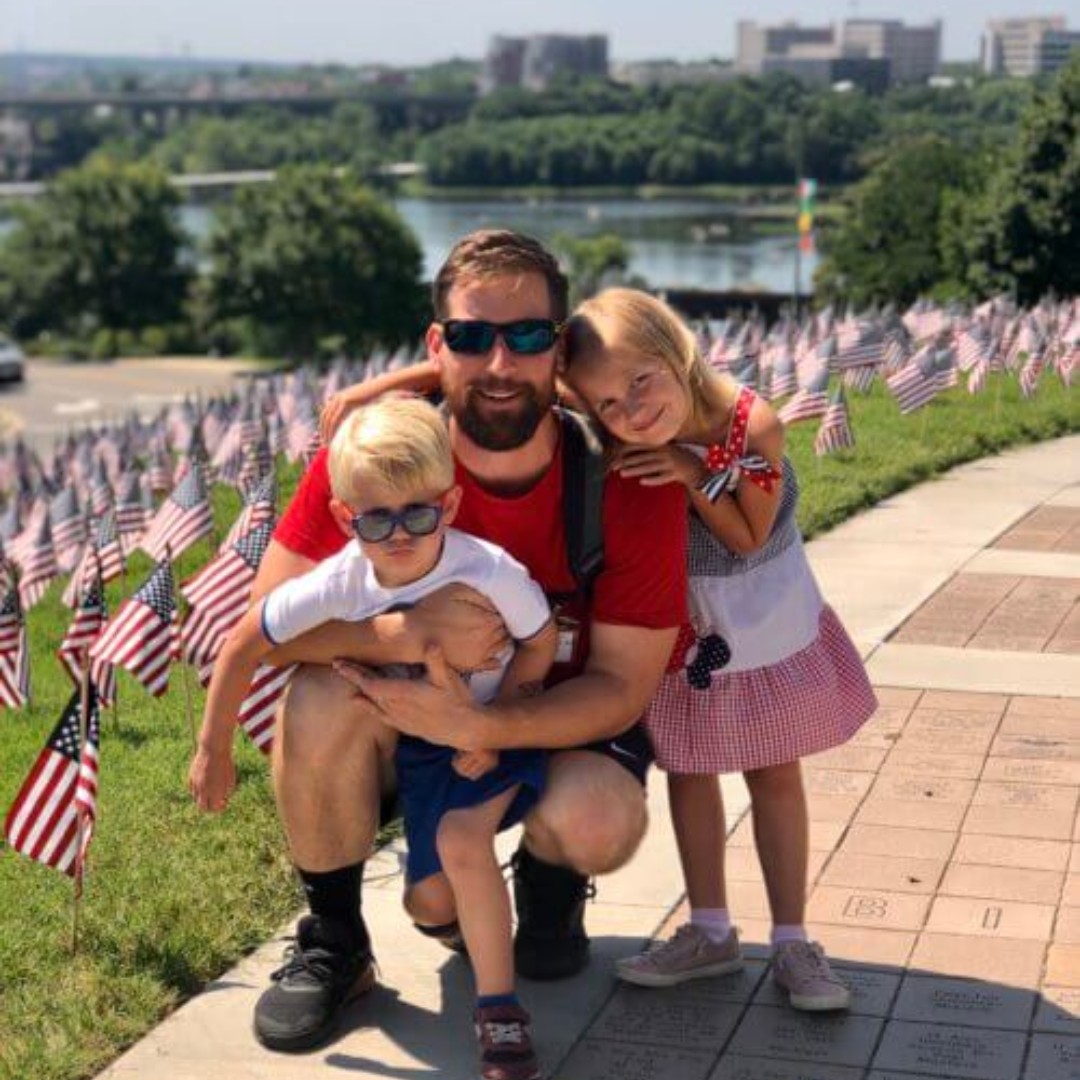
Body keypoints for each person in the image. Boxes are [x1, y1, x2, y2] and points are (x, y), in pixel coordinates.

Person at [235, 231, 688, 1054]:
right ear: (437, 343)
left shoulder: (628, 477)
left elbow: (623, 687)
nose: (501, 364)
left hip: (551, 725)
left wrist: (485, 727)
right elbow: (264, 628)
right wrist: (401, 629)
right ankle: (335, 938)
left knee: (598, 819)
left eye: (526, 337)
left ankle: (552, 882)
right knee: (318, 694)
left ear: (560, 347)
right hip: (405, 720)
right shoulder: (374, 460)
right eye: (475, 337)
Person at [190, 396, 556, 1077]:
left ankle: (499, 1009)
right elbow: (244, 641)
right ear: (342, 517)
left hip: (487, 735)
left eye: (417, 513)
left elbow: (539, 642)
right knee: (428, 899)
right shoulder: (343, 579)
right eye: (374, 518)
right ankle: (372, 932)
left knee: (459, 842)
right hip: (418, 750)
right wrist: (213, 748)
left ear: (448, 506)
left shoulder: (489, 571)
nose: (397, 535)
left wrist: (497, 722)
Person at [555, 288, 877, 1011]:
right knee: (689, 765)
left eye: (641, 380)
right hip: (681, 622)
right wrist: (376, 384)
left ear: (675, 352)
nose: (632, 410)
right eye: (608, 405)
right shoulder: (616, 410)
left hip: (758, 615)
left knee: (772, 768)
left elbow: (745, 536)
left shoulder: (750, 424)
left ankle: (793, 939)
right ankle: (709, 930)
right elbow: (518, 372)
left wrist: (691, 470)